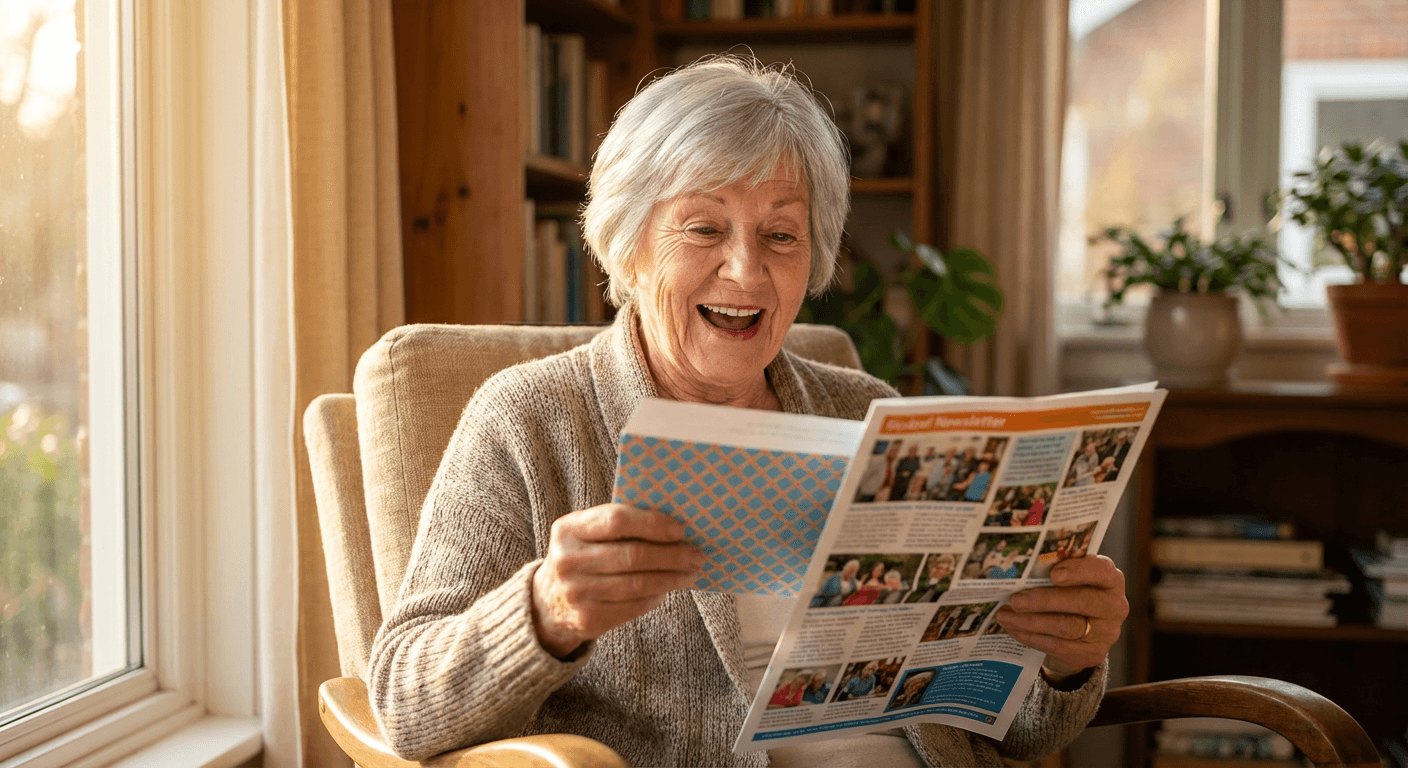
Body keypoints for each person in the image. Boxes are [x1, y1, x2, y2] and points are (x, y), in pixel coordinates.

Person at [368, 55, 1127, 767]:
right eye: (704, 228)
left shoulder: (868, 414)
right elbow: (406, 703)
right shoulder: (529, 422)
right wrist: (545, 614)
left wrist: (1063, 661)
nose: (746, 269)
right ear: (629, 245)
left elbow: (1014, 735)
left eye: (781, 235)